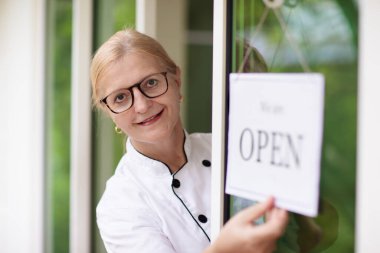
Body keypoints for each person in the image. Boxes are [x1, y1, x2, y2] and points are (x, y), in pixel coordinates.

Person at [91, 28, 288, 253]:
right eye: (120, 97)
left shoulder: (228, 148)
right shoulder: (119, 204)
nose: (142, 106)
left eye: (151, 83)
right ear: (109, 111)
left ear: (177, 79)